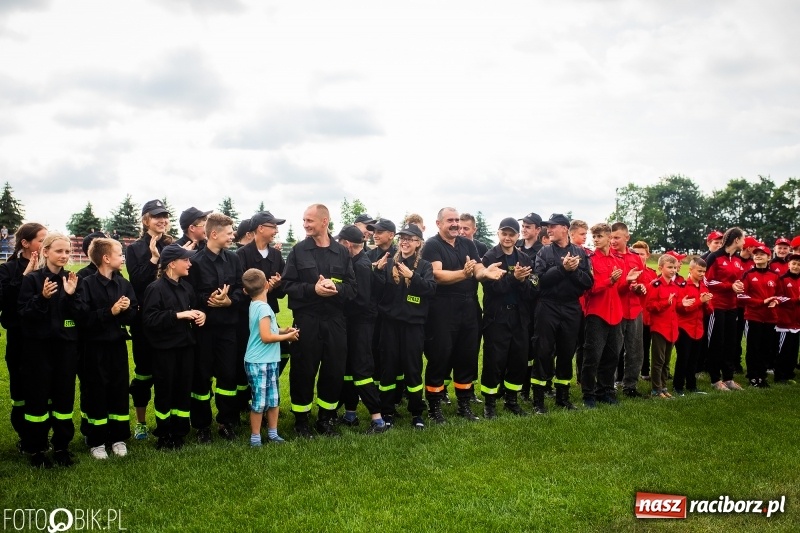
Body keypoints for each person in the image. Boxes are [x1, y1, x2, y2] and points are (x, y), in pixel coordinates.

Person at [422, 207, 504, 423]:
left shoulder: (468, 243)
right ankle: (434, 406)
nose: (456, 224)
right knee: (440, 356)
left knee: (467, 356)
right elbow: (437, 274)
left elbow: (477, 267)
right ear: (438, 223)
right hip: (442, 309)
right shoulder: (432, 245)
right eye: (450, 220)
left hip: (469, 307)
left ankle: (464, 403)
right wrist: (463, 273)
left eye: (457, 220)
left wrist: (483, 273)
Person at [281, 204, 356, 438]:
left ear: (325, 222)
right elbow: (286, 285)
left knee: (334, 370)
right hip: (307, 319)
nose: (305, 225)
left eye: (309, 221)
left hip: (335, 321)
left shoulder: (342, 252)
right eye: (304, 220)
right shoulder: (298, 251)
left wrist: (337, 288)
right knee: (303, 369)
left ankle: (326, 419)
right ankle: (301, 421)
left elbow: (353, 288)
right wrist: (313, 289)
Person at [18, 233, 80, 468]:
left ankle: (62, 446)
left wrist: (73, 297)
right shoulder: (32, 280)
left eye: (67, 252)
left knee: (64, 398)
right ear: (45, 252)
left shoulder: (72, 279)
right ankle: (36, 448)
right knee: (37, 400)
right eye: (59, 251)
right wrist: (42, 298)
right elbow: (24, 314)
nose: (64, 256)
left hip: (65, 349)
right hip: (38, 350)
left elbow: (80, 315)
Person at [76, 238, 137, 459]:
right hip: (94, 347)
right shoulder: (86, 284)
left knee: (119, 389)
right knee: (96, 390)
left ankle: (118, 438)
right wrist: (110, 312)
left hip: (117, 345)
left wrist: (128, 309)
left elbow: (132, 315)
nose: (123, 257)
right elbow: (83, 318)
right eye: (120, 253)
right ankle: (97, 440)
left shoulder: (124, 283)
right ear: (106, 258)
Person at [186, 213, 244, 442]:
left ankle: (226, 422)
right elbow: (190, 294)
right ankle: (201, 426)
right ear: (213, 234)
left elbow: (240, 288)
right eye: (229, 233)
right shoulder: (196, 262)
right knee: (201, 378)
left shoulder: (234, 260)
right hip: (204, 329)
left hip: (228, 329)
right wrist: (210, 299)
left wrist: (230, 300)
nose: (233, 236)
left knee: (228, 376)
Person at [142, 244, 205, 450]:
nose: (190, 263)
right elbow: (150, 319)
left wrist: (201, 314)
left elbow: (194, 308)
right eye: (185, 260)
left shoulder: (187, 287)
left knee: (183, 389)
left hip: (186, 347)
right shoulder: (155, 288)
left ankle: (179, 432)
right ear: (171, 264)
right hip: (164, 350)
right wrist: (178, 315)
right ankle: (164, 434)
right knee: (165, 391)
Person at [373, 223, 435, 429]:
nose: (405, 242)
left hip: (413, 326)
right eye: (402, 238)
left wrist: (412, 276)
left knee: (413, 369)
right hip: (390, 325)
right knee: (388, 369)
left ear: (418, 243)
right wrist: (377, 272)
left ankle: (417, 413)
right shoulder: (389, 263)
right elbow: (377, 292)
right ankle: (387, 411)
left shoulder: (425, 266)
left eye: (410, 238)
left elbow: (431, 290)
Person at [530, 214, 593, 414]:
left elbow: (588, 283)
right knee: (543, 350)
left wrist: (574, 271)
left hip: (571, 307)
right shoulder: (543, 253)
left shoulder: (580, 253)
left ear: (565, 228)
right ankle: (538, 400)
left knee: (567, 351)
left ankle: (562, 397)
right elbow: (538, 281)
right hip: (547, 306)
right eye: (547, 227)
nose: (548, 230)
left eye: (552, 226)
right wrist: (562, 269)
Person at [125, 199, 172, 440]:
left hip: (171, 318)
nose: (162, 220)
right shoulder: (134, 249)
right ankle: (141, 422)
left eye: (164, 215)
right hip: (144, 319)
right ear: (146, 220)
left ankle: (167, 421)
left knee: (167, 372)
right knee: (144, 374)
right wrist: (154, 259)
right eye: (156, 216)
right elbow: (137, 281)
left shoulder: (173, 245)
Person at [479, 217, 535, 417]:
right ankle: (490, 404)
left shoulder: (525, 258)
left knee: (518, 359)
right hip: (497, 317)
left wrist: (520, 281)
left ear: (518, 236)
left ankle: (512, 400)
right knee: (494, 359)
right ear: (498, 234)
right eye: (504, 233)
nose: (508, 237)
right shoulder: (489, 257)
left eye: (512, 234)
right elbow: (494, 288)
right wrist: (514, 278)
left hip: (520, 316)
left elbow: (532, 289)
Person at [235, 210, 288, 421]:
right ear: (260, 229)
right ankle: (244, 403)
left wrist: (275, 286)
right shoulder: (242, 255)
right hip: (247, 318)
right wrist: (260, 290)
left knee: (277, 356)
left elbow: (284, 289)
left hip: (270, 313)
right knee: (247, 360)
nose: (276, 231)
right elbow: (239, 290)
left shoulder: (276, 256)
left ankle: (265, 402)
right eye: (273, 226)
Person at [335, 225, 387, 434]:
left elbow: (362, 300)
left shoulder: (362, 266)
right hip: (352, 324)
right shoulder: (355, 261)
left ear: (347, 244)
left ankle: (378, 419)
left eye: (340, 243)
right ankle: (350, 414)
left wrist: (337, 297)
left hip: (361, 324)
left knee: (361, 370)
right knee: (348, 370)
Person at [0, 222, 47, 450]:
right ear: (25, 243)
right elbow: (5, 301)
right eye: (41, 239)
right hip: (19, 339)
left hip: (45, 339)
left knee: (44, 388)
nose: (45, 243)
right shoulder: (8, 269)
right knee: (21, 390)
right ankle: (25, 436)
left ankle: (42, 435)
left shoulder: (49, 268)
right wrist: (26, 275)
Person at [241, 268, 299, 446]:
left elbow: (267, 330)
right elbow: (266, 337)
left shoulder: (256, 305)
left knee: (273, 399)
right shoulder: (264, 308)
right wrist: (287, 337)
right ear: (267, 285)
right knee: (260, 402)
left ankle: (273, 434)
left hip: (269, 361)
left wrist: (283, 330)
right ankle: (256, 437)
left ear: (245, 291)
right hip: (260, 362)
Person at [580, 223, 629, 408]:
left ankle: (605, 391)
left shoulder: (618, 260)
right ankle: (588, 394)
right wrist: (610, 281)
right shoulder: (590, 260)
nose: (596, 240)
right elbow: (589, 289)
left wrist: (630, 281)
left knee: (612, 356)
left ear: (609, 237)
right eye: (594, 236)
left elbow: (621, 288)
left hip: (615, 313)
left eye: (600, 236)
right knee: (592, 356)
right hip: (597, 313)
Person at [705, 228, 747, 391]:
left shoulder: (737, 259)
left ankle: (728, 378)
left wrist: (738, 285)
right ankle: (715, 379)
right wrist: (729, 286)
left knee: (731, 342)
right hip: (717, 306)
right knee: (717, 342)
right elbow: (707, 281)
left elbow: (737, 279)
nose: (744, 242)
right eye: (743, 239)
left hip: (732, 306)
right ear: (736, 240)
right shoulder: (715, 256)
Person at [610, 222, 646, 398]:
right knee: (613, 349)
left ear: (627, 237)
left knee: (635, 350)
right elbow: (613, 287)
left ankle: (630, 385)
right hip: (617, 309)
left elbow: (642, 280)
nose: (613, 241)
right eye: (611, 237)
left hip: (635, 309)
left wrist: (640, 288)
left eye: (616, 237)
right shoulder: (610, 257)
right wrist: (628, 284)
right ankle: (609, 385)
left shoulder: (636, 257)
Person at [741, 244, 780, 388]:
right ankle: (752, 376)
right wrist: (761, 302)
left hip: (770, 317)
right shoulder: (748, 274)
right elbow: (741, 297)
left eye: (762, 254)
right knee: (753, 347)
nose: (758, 256)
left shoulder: (775, 276)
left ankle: (762, 376)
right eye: (756, 254)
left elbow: (781, 295)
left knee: (766, 347)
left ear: (769, 257)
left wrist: (775, 301)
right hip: (753, 316)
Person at [673, 257, 713, 395]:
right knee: (683, 358)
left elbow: (710, 310)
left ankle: (691, 385)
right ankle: (678, 386)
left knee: (694, 359)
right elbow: (682, 308)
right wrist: (699, 301)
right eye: (699, 271)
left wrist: (707, 304)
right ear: (690, 270)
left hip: (699, 329)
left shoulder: (704, 287)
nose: (702, 274)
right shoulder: (683, 286)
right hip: (684, 328)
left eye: (704, 271)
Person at [645, 254, 682, 398]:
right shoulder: (655, 285)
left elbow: (676, 307)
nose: (673, 270)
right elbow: (649, 306)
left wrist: (682, 304)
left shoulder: (675, 286)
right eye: (670, 267)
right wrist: (665, 303)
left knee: (666, 361)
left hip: (672, 328)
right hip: (660, 328)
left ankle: (664, 387)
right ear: (661, 268)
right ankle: (656, 389)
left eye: (674, 267)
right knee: (658, 360)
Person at [515, 212, 543, 401]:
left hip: (533, 305)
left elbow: (538, 278)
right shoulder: (515, 247)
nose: (524, 229)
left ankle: (526, 387)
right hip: (514, 303)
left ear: (538, 230)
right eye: (523, 226)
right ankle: (509, 384)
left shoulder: (542, 251)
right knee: (513, 346)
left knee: (530, 348)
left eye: (528, 226)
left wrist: (526, 280)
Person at [630, 241, 657, 380]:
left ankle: (645, 372)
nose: (639, 256)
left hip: (648, 314)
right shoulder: (632, 272)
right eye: (636, 254)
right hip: (634, 314)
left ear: (647, 255)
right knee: (630, 347)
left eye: (642, 254)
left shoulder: (652, 273)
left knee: (646, 344)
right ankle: (622, 376)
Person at [775, 253, 800, 384]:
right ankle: (779, 376)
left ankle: (789, 373)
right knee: (783, 351)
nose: (796, 266)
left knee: (793, 351)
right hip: (784, 323)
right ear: (789, 265)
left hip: (797, 323)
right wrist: (796, 300)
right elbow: (778, 298)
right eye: (794, 263)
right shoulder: (782, 279)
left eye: (799, 264)